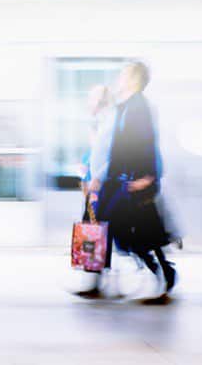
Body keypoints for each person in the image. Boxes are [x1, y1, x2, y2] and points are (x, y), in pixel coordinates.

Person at [95, 62, 175, 304]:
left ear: (134, 79)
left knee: (141, 235)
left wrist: (147, 177)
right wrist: (104, 177)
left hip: (136, 181)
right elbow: (117, 148)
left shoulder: (140, 106)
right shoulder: (124, 107)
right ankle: (104, 278)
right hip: (120, 180)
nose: (119, 79)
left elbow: (145, 143)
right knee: (121, 230)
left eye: (124, 75)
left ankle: (164, 273)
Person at [76, 84, 118, 299]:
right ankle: (97, 277)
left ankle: (96, 278)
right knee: (98, 230)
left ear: (100, 102)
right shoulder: (99, 122)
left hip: (102, 185)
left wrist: (96, 177)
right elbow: (94, 153)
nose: (87, 103)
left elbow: (107, 154)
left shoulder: (107, 122)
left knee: (96, 229)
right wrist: (85, 166)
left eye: (91, 99)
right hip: (96, 182)